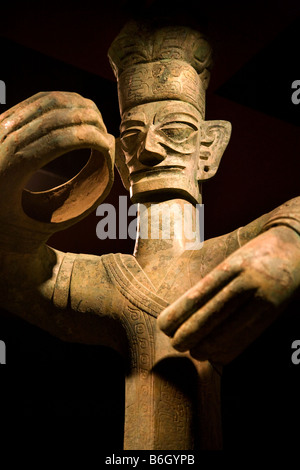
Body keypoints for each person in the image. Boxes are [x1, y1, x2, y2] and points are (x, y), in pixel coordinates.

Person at [1, 20, 300, 449]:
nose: (151, 150)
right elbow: (14, 272)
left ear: (209, 148)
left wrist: (290, 238)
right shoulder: (110, 281)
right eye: (132, 135)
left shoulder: (229, 255)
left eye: (175, 131)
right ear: (121, 159)